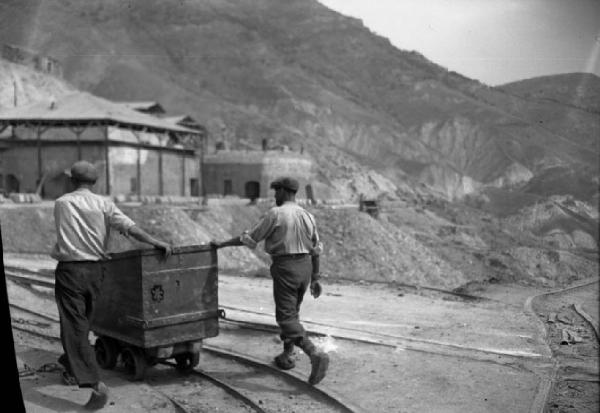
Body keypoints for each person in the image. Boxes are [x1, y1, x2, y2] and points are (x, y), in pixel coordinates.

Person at [51, 161, 172, 410]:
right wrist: (155, 241)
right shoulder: (104, 204)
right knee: (82, 323)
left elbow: (65, 235)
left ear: (72, 180)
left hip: (71, 271)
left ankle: (94, 385)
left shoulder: (62, 203)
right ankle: (69, 364)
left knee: (73, 326)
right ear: (94, 182)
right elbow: (130, 228)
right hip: (96, 272)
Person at [211, 177, 329, 385]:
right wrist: (316, 278)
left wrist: (222, 244)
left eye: (277, 191)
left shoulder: (276, 214)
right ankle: (288, 355)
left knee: (286, 318)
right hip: (306, 268)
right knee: (293, 312)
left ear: (284, 192)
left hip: (286, 268)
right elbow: (317, 249)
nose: (275, 195)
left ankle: (314, 353)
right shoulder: (308, 216)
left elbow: (250, 238)